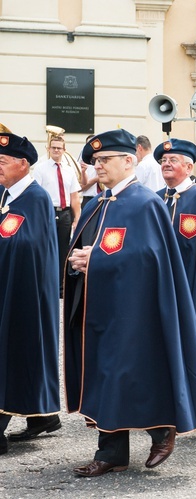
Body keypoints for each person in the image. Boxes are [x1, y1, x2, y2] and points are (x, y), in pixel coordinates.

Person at [65, 129, 196, 477]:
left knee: (135, 375)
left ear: (129, 162)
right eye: (96, 161)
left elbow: (151, 257)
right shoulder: (96, 204)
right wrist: (77, 261)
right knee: (105, 377)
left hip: (135, 311)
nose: (98, 166)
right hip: (98, 309)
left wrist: (98, 261)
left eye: (105, 160)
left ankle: (162, 429)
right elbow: (91, 249)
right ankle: (112, 452)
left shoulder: (145, 202)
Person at [0, 132, 61, 456]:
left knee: (17, 350)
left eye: (3, 161)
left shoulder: (35, 198)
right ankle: (44, 415)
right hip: (7, 284)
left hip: (26, 289)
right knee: (22, 353)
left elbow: (30, 246)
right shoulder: (5, 194)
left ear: (23, 165)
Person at [154, 138, 196, 324]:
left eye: (173, 160)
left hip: (189, 281)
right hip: (159, 281)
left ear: (188, 168)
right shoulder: (156, 199)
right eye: (164, 161)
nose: (166, 164)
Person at [33, 135, 81, 296]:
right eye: (53, 147)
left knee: (63, 251)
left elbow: (74, 197)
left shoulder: (69, 171)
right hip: (48, 212)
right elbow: (36, 195)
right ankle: (44, 284)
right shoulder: (40, 168)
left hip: (65, 213)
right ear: (48, 149)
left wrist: (77, 217)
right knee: (45, 248)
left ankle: (60, 287)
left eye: (59, 147)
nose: (56, 150)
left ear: (64, 150)